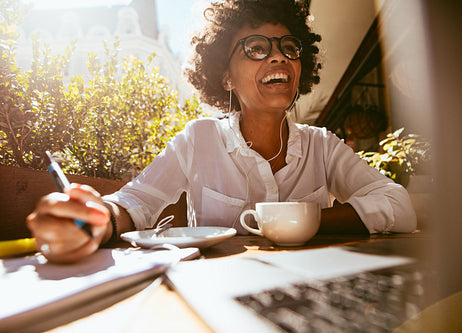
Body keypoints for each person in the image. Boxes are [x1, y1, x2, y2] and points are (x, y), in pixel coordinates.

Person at [26, 0, 416, 263]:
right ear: (225, 77)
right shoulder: (198, 139)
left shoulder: (323, 146)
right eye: (257, 48)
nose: (278, 56)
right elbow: (135, 204)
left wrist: (307, 219)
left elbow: (398, 205)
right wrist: (95, 217)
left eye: (288, 47)